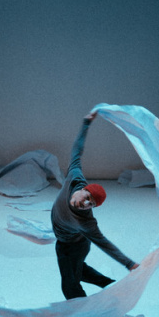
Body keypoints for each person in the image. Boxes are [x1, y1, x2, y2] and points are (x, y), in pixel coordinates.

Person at [51, 111, 138, 299]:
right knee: (79, 271)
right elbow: (77, 150)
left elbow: (106, 244)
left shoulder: (86, 223)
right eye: (89, 197)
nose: (87, 204)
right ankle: (112, 286)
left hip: (73, 246)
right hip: (64, 241)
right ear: (84, 189)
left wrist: (129, 264)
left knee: (69, 285)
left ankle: (82, 315)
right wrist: (86, 124)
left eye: (92, 204)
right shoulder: (74, 176)